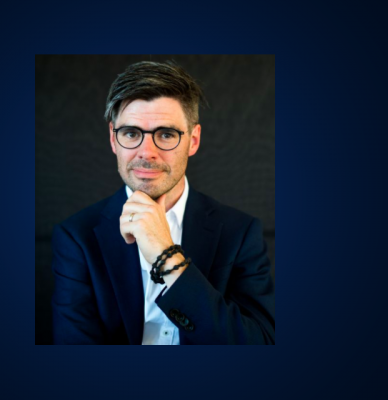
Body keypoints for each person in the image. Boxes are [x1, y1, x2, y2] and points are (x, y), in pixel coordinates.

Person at [51, 60, 275, 344]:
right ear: (113, 139)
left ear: (193, 140)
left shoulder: (240, 232)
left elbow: (261, 342)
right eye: (131, 133)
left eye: (166, 134)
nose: (147, 152)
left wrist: (167, 257)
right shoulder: (76, 237)